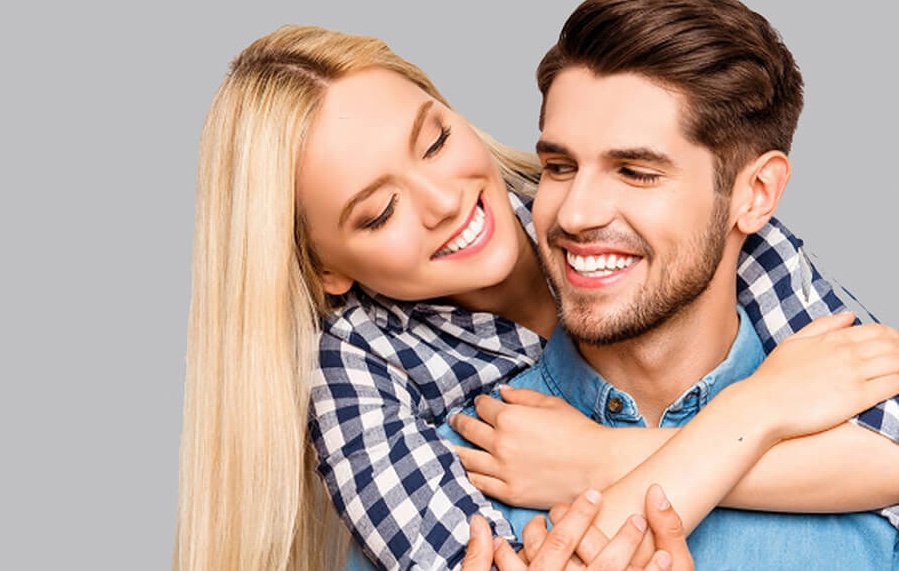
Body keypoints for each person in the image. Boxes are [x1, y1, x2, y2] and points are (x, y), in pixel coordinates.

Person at [174, 22, 899, 571]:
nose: (443, 200)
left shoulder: (658, 219)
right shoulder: (357, 364)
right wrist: (761, 409)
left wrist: (598, 457)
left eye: (432, 144)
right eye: (377, 212)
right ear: (324, 267)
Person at [446, 0, 899, 568]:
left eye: (637, 172)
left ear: (756, 193)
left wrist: (603, 459)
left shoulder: (871, 458)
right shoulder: (450, 477)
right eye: (559, 167)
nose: (575, 213)